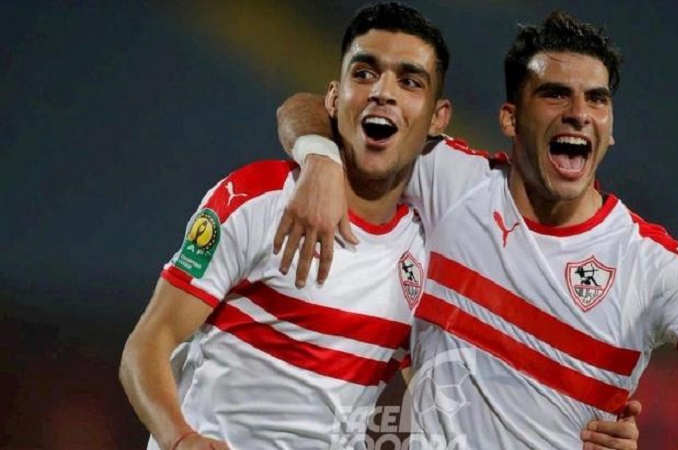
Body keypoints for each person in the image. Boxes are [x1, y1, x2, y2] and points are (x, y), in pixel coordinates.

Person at [119, 4, 640, 449]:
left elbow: (462, 397)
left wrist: (584, 429)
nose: (383, 93)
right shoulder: (259, 199)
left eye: (409, 81)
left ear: (438, 119)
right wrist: (181, 440)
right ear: (334, 96)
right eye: (365, 73)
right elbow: (146, 345)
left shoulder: (423, 252)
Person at [274, 9, 678, 449]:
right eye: (555, 95)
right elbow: (310, 109)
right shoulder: (448, 180)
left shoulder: (653, 267)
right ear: (510, 118)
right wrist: (320, 159)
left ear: (610, 128)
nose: (579, 113)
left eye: (596, 99)